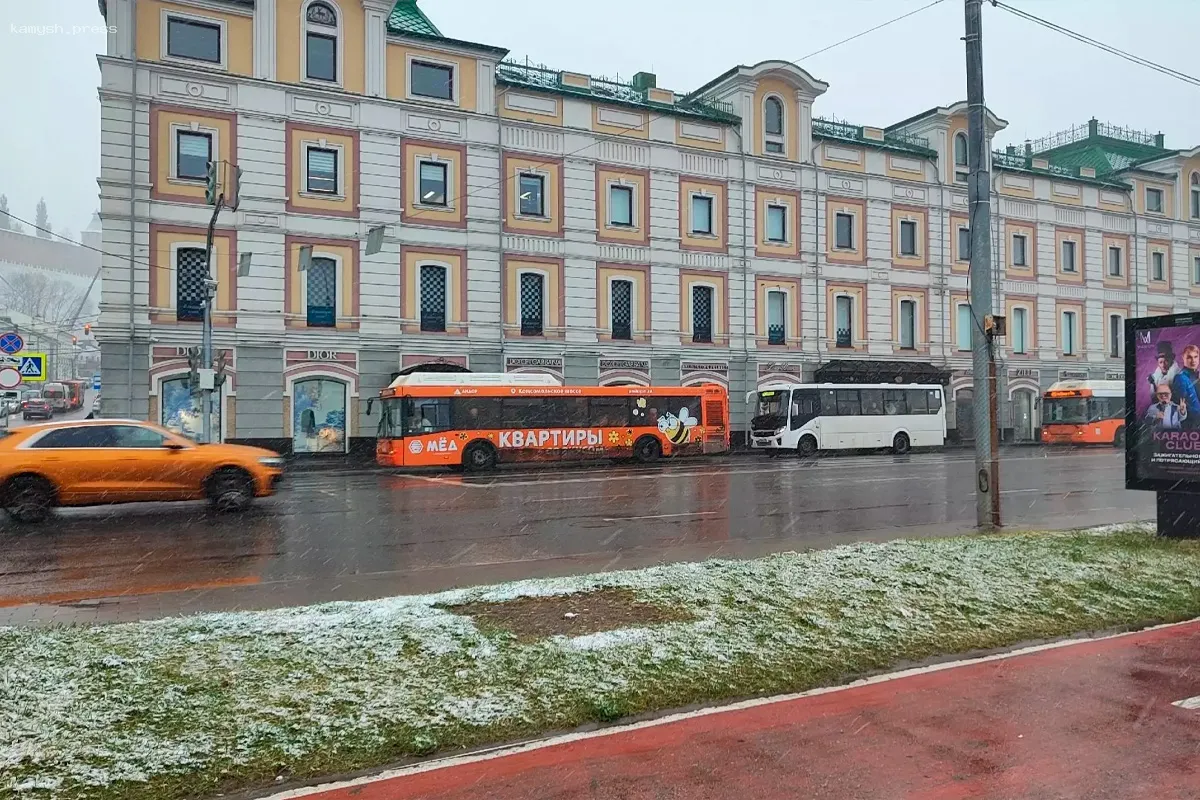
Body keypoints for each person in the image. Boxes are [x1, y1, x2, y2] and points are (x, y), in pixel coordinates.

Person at [1173, 344, 1200, 429]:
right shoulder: (1180, 378)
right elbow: (1182, 404)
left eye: (1195, 357)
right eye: (1189, 357)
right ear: (1183, 358)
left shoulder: (1197, 375)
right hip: (1191, 426)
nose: (1193, 360)